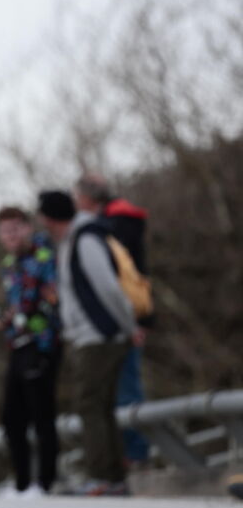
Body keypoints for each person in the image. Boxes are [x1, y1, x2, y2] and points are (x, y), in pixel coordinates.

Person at [38, 190, 142, 496]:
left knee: (91, 404)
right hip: (89, 336)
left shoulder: (84, 240)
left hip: (99, 337)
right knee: (100, 406)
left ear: (51, 218)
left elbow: (108, 288)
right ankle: (114, 477)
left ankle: (104, 477)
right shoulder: (72, 240)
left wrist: (128, 326)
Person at [74, 174, 151, 465]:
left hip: (121, 319)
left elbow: (114, 280)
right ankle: (130, 454)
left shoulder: (112, 225)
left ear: (87, 198)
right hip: (125, 316)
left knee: (124, 388)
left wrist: (132, 323)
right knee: (120, 388)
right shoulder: (118, 221)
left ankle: (134, 454)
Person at [0, 207, 61, 497]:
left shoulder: (46, 257)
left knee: (42, 415)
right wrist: (5, 320)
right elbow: (19, 306)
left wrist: (29, 318)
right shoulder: (9, 265)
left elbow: (54, 302)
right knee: (12, 418)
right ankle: (22, 483)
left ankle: (45, 483)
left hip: (43, 344)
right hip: (17, 345)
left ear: (28, 228)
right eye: (5, 231)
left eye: (16, 228)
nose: (11, 236)